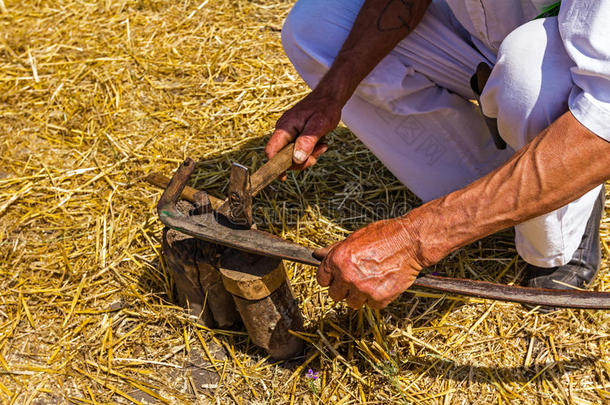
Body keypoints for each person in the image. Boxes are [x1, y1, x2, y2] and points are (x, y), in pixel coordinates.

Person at [265, 0, 610, 310]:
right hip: (478, 29)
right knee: (319, 25)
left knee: (528, 83)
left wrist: (415, 239)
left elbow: (604, 121)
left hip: (574, 56)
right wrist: (331, 93)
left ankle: (562, 232)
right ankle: (494, 193)